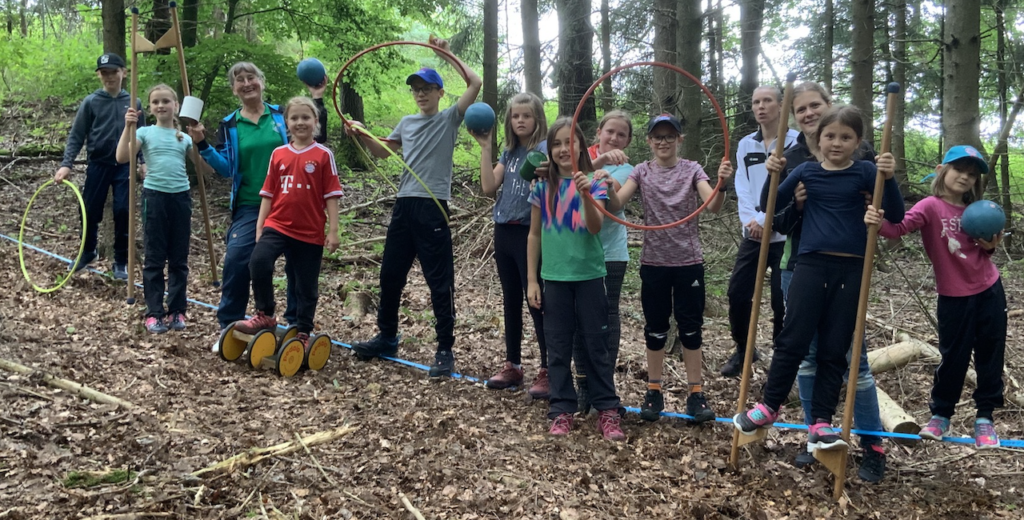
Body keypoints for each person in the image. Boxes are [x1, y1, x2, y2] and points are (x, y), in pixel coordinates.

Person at [734, 106, 904, 457]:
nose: (837, 143)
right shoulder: (806, 171)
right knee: (793, 338)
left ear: (858, 142)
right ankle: (769, 405)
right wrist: (774, 173)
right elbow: (770, 205)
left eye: (846, 137)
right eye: (830, 136)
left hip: (852, 268)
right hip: (809, 266)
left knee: (834, 346)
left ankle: (821, 423)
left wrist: (888, 179)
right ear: (818, 139)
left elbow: (897, 215)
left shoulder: (866, 172)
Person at [762, 81, 888, 481]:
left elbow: (881, 214)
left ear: (829, 106)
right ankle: (815, 435)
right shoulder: (792, 156)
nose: (810, 114)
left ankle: (871, 443)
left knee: (854, 361)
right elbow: (777, 220)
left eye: (815, 105)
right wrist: (794, 203)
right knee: (806, 354)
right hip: (798, 265)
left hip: (848, 270)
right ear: (795, 117)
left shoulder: (862, 157)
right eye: (801, 110)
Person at [346, 37, 482, 378]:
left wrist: (443, 54)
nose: (420, 94)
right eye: (416, 89)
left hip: (432, 207)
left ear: (440, 93)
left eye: (427, 88)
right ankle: (387, 337)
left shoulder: (450, 118)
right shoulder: (406, 123)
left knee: (439, 281)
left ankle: (444, 349)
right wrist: (361, 133)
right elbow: (382, 152)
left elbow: (475, 82)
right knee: (390, 275)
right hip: (404, 206)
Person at [865, 145, 1006, 449]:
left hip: (989, 290)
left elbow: (985, 249)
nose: (965, 178)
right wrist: (877, 223)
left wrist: (990, 244)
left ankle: (985, 418)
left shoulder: (977, 210)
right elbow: (899, 228)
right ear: (942, 170)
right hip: (954, 296)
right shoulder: (930, 206)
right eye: (959, 170)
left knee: (989, 354)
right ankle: (941, 415)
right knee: (953, 357)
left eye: (971, 174)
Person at [188, 62, 330, 349]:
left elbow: (316, 136)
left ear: (261, 81)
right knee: (239, 260)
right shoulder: (230, 124)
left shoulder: (282, 116)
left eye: (251, 77)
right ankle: (230, 325)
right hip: (252, 204)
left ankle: (294, 324)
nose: (246, 83)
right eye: (239, 80)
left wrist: (317, 98)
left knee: (297, 265)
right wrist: (202, 144)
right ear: (234, 89)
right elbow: (226, 168)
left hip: (293, 203)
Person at [603, 114, 731, 424]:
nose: (663, 141)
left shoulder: (692, 169)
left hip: (688, 262)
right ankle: (653, 390)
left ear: (679, 139)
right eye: (657, 136)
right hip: (654, 262)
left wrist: (722, 184)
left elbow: (711, 205)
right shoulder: (642, 171)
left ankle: (696, 394)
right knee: (656, 329)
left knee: (690, 329)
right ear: (648, 140)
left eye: (669, 136)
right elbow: (617, 204)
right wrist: (607, 186)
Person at [527, 117, 624, 441]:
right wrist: (532, 280)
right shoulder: (542, 187)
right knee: (557, 347)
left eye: (569, 142)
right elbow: (534, 236)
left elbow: (594, 226)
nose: (562, 149)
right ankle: (561, 409)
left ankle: (608, 409)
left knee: (596, 345)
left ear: (581, 145)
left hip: (590, 276)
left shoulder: (595, 182)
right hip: (554, 278)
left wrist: (585, 192)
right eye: (556, 144)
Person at [231, 97, 342, 350]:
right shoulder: (278, 154)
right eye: (294, 118)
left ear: (315, 122)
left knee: (305, 284)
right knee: (258, 262)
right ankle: (265, 313)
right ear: (286, 122)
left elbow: (332, 195)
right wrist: (261, 226)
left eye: (306, 118)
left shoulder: (324, 155)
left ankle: (303, 330)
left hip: (309, 231)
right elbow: (268, 193)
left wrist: (333, 231)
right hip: (277, 224)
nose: (300, 122)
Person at [472, 92, 550, 396]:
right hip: (503, 230)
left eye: (526, 116)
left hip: (531, 233)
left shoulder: (544, 150)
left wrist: (547, 172)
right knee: (510, 301)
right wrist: (485, 147)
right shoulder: (509, 152)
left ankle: (547, 369)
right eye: (515, 116)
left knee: (537, 302)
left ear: (538, 119)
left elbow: (555, 178)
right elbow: (489, 187)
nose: (520, 120)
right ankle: (513, 365)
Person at [722, 86, 799, 377]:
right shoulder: (746, 144)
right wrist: (751, 220)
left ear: (781, 106)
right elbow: (741, 185)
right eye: (756, 102)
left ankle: (781, 359)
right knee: (737, 293)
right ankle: (744, 349)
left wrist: (768, 219)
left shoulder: (796, 143)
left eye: (767, 101)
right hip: (752, 233)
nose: (761, 106)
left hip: (784, 233)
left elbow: (790, 191)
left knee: (782, 301)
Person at [55, 53, 145, 279]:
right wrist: (67, 165)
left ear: (123, 72)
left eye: (114, 72)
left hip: (124, 165)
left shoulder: (134, 102)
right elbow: (77, 136)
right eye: (104, 73)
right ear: (99, 76)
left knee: (123, 210)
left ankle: (121, 261)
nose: (110, 77)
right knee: (88, 209)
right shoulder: (91, 102)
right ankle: (87, 251)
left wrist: (143, 162)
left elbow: (142, 136)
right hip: (98, 163)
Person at [115, 84, 193, 333]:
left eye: (166, 101)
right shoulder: (145, 132)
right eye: (156, 102)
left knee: (179, 259)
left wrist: (201, 143)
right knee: (155, 258)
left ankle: (177, 311)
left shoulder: (185, 137)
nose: (161, 106)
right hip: (155, 197)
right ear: (150, 107)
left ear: (176, 106)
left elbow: (203, 170)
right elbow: (122, 157)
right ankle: (154, 312)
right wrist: (128, 127)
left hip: (181, 198)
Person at [574, 110, 634, 413]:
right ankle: (583, 385)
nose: (614, 138)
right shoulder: (576, 156)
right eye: (610, 131)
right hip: (576, 252)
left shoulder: (626, 168)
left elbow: (614, 204)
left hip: (610, 253)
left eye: (621, 134)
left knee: (606, 321)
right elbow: (564, 187)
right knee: (577, 321)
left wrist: (608, 182)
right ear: (598, 131)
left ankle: (603, 390)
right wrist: (594, 165)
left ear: (628, 141)